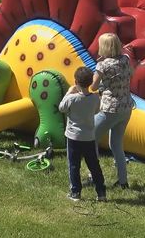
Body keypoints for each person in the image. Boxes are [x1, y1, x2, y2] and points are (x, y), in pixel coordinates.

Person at [90, 33, 133, 189]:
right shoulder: (126, 59)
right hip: (126, 107)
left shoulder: (102, 65)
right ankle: (123, 181)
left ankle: (94, 176)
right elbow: (130, 75)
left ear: (104, 47)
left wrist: (98, 73)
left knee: (90, 138)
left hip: (109, 109)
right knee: (116, 144)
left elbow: (93, 87)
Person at [59, 66, 106, 202]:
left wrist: (68, 92)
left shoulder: (72, 98)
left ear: (75, 82)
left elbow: (61, 108)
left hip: (73, 137)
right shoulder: (95, 98)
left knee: (74, 165)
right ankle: (101, 193)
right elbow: (96, 111)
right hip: (89, 137)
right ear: (91, 82)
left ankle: (76, 193)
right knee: (94, 165)